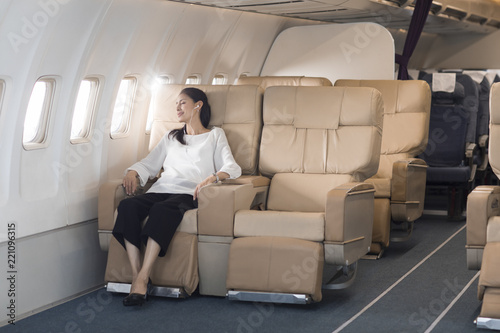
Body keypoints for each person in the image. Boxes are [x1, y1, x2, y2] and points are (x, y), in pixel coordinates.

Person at [112, 87, 241, 306]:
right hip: (161, 189)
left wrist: (212, 178)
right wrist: (133, 172)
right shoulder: (171, 136)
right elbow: (150, 163)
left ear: (198, 105)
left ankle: (144, 276)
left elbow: (232, 167)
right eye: (176, 104)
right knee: (127, 207)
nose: (177, 107)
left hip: (188, 193)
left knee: (161, 211)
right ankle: (136, 275)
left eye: (182, 103)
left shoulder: (215, 135)